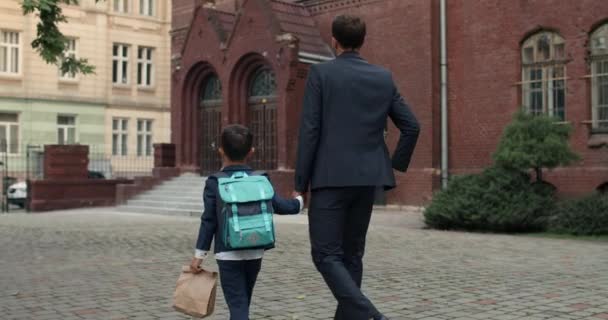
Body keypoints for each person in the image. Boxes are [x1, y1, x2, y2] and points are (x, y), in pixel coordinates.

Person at [294, 15, 420, 320]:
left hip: (329, 179)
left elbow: (310, 130)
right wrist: (391, 165)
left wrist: (300, 183)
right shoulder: (383, 77)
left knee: (325, 255)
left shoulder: (321, 74)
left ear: (334, 40)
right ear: (363, 41)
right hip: (368, 179)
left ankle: (372, 316)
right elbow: (412, 127)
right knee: (352, 255)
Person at [190, 124, 303, 320]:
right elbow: (281, 206)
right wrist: (299, 201)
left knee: (238, 305)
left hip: (227, 252)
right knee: (243, 302)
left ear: (221, 151)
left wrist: (199, 255)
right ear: (251, 152)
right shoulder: (260, 179)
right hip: (255, 248)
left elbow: (208, 221)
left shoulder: (214, 182)